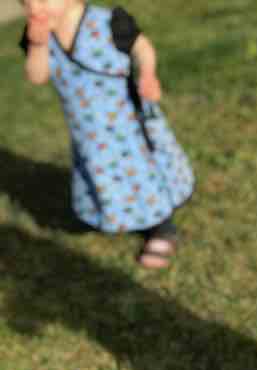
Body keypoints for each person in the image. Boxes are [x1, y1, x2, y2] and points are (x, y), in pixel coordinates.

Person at [19, 0, 194, 268]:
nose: (35, 8)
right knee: (107, 176)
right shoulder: (37, 36)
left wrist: (148, 74)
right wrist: (38, 45)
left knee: (142, 172)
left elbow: (142, 48)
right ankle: (126, 214)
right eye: (26, 2)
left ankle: (161, 227)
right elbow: (38, 75)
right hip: (89, 132)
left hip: (128, 124)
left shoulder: (109, 21)